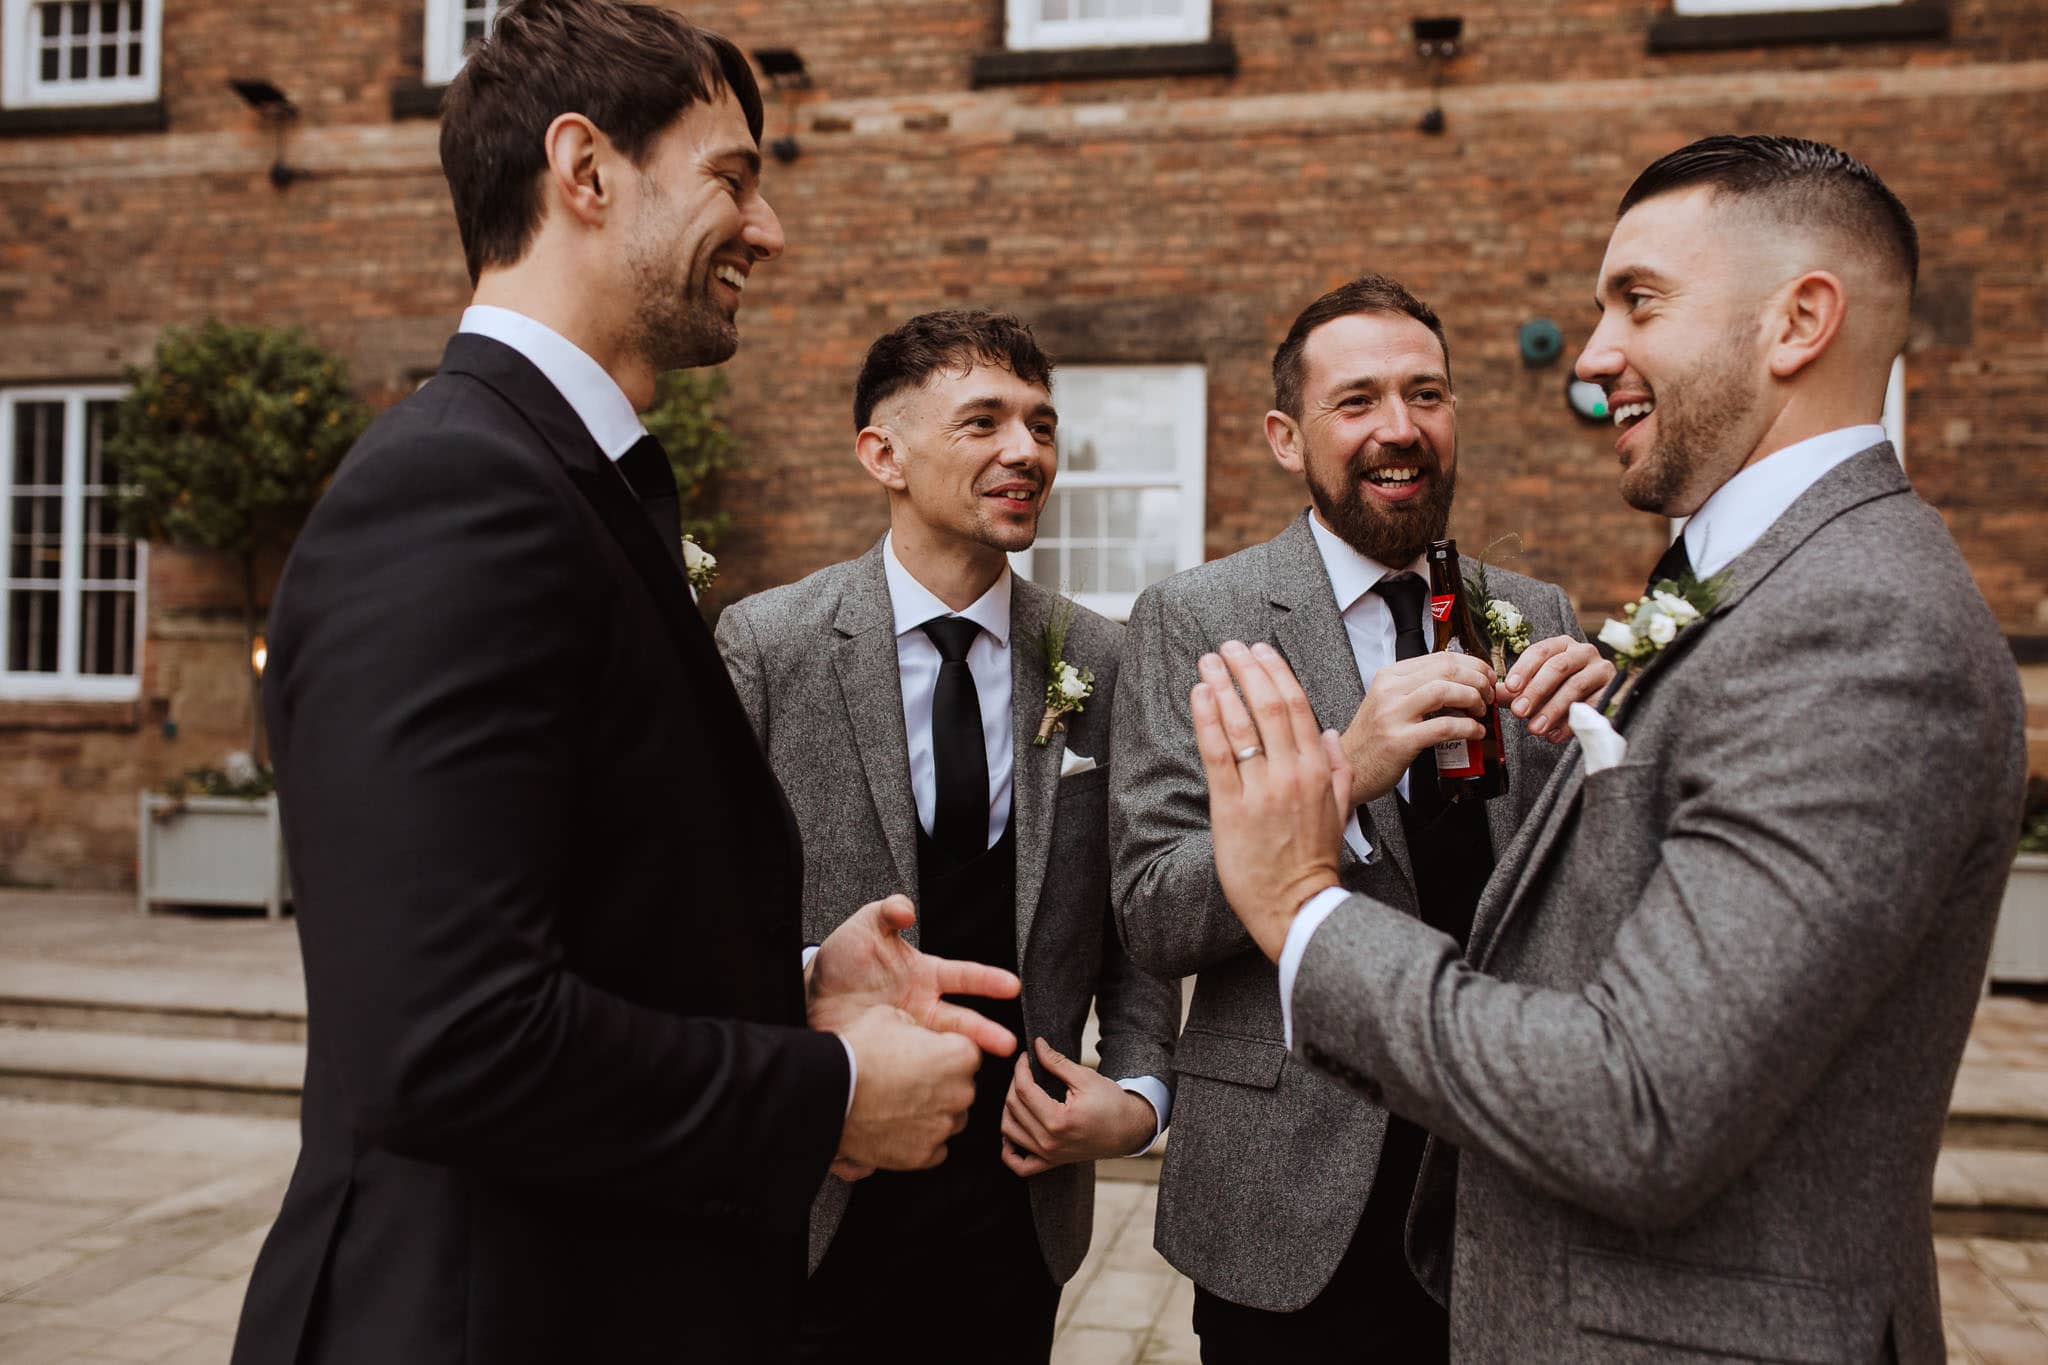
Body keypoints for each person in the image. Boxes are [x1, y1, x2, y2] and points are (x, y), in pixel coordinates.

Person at [231, 5, 1015, 1362]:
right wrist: (821, 1091)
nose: (766, 232)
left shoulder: (557, 480)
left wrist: (789, 983)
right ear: (584, 172)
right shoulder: (454, 491)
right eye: (732, 177)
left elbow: (566, 908)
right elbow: (448, 1037)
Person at [1189, 135, 2026, 1362]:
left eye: (1638, 300)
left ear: (1797, 321)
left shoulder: (1855, 622)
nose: (1589, 357)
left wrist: (1302, 908)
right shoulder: (1761, 586)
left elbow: (1633, 1104)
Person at [1111, 275, 1612, 1361]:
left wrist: (1609, 757)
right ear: (1287, 438)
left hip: (1500, 1166)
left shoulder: (1534, 612)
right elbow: (1153, 911)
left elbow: (1572, 897)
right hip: (1288, 1183)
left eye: (1425, 395)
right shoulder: (1194, 619)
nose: (1399, 430)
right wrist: (1345, 768)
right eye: (1358, 402)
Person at [717, 309, 1181, 1363]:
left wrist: (1139, 1095)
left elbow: (1133, 915)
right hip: (822, 1181)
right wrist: (803, 1013)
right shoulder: (768, 646)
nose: (1027, 452)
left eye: (1041, 425)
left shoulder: (1100, 659)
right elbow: (708, 915)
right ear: (882, 453)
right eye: (982, 422)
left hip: (1018, 1199)